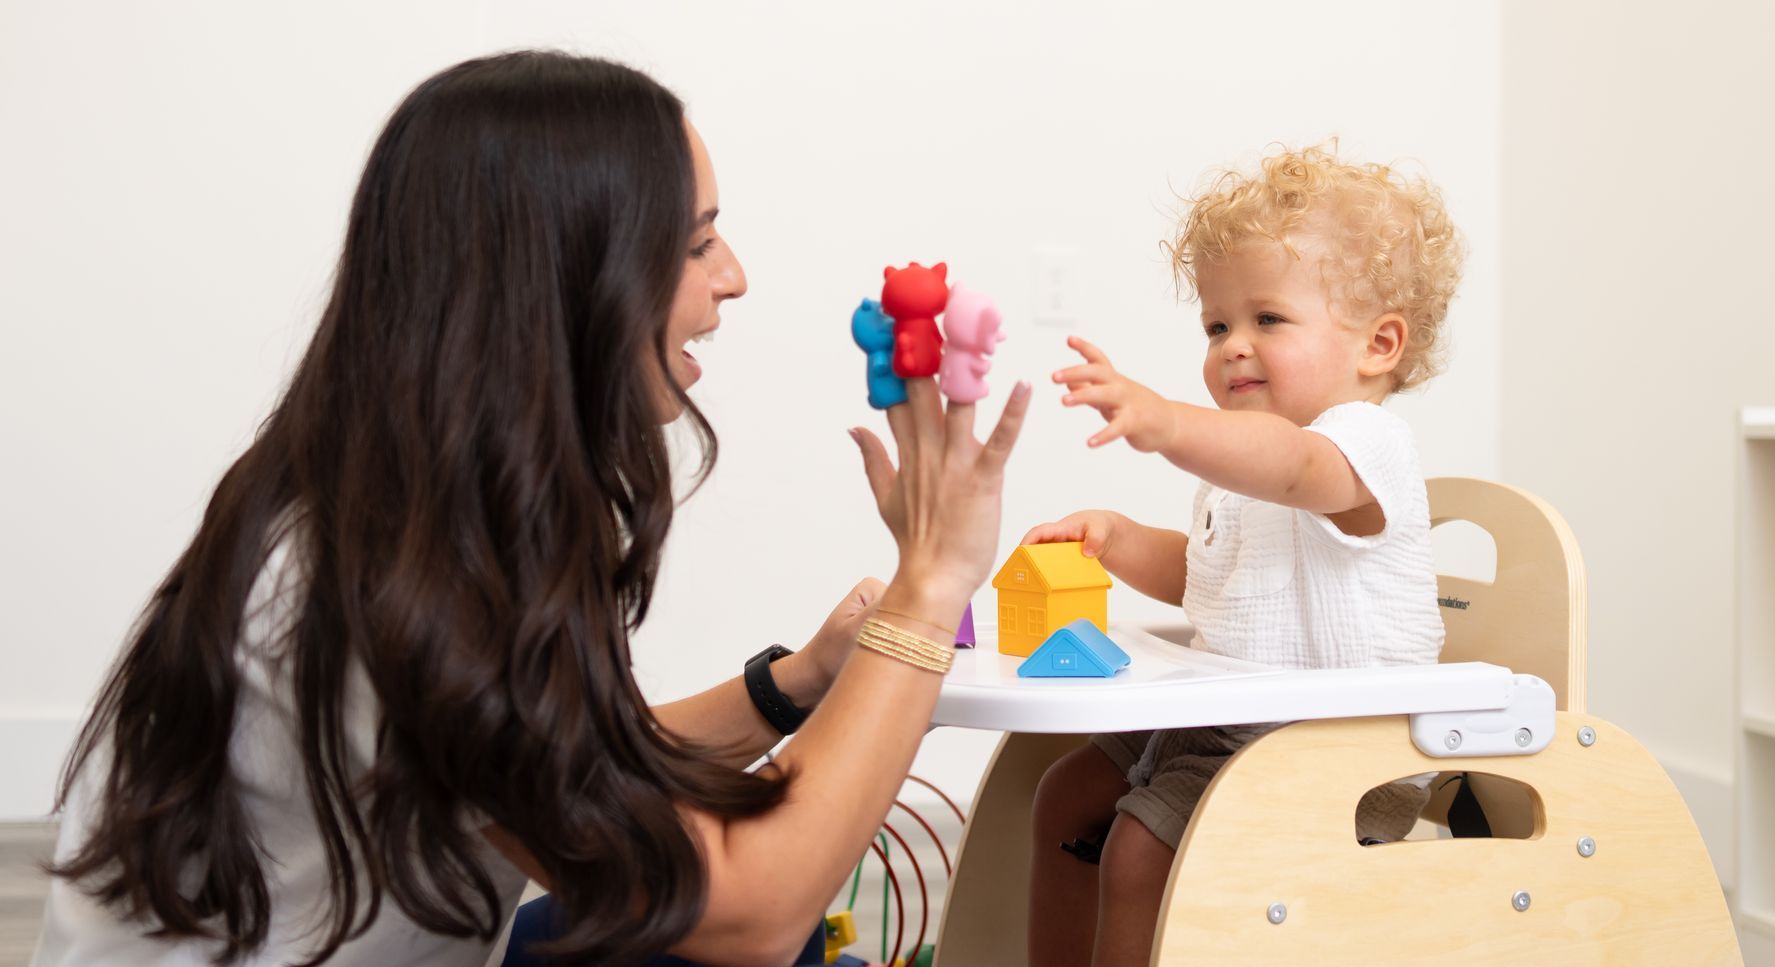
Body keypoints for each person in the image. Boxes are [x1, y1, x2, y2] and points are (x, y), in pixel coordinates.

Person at [32, 50, 1029, 967]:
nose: (733, 277)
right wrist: (930, 582)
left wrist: (798, 682)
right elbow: (753, 909)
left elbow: (578, 769)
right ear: (561, 280)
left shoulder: (392, 498)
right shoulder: (397, 571)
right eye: (695, 243)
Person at [1018, 143, 1464, 967]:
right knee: (1064, 796)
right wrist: (1118, 538)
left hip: (1335, 749)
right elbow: (1209, 577)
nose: (1232, 345)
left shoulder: (1362, 447)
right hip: (1227, 724)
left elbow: (1294, 468)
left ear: (1378, 344)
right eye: (1217, 325)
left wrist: (1168, 422)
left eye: (1268, 319)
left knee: (1140, 848)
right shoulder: (1239, 471)